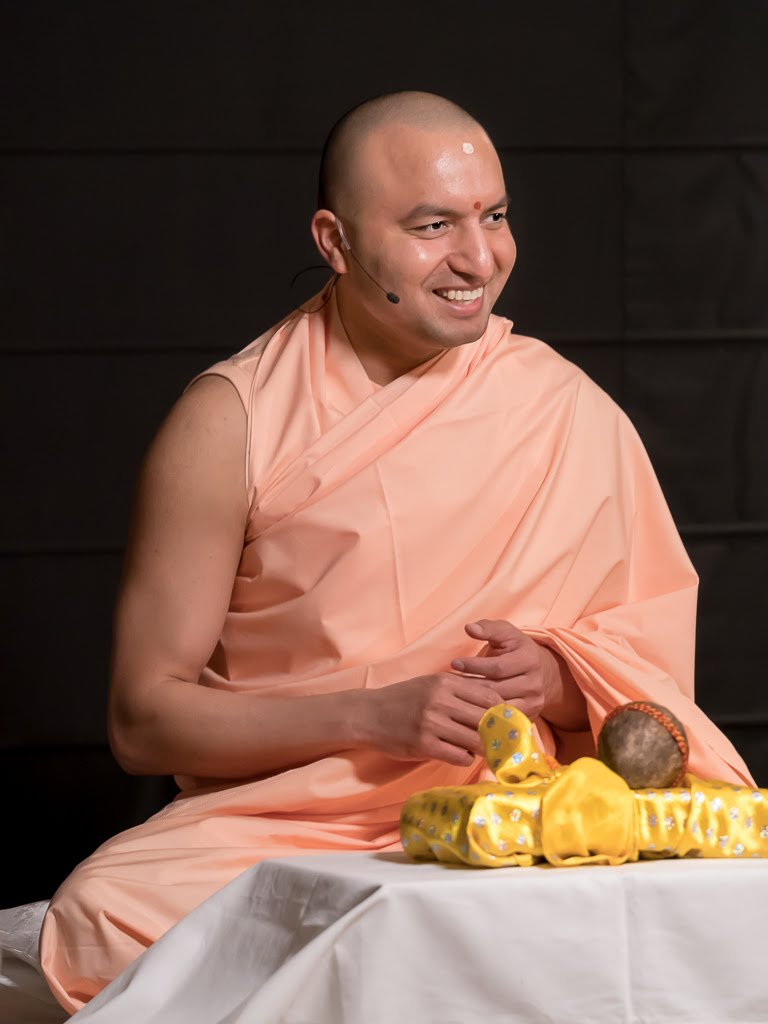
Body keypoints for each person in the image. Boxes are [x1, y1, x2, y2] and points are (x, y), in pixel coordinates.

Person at [38, 90, 755, 1013]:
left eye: (494, 216)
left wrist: (559, 679)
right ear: (334, 242)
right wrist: (374, 717)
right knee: (100, 913)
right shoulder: (230, 421)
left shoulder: (565, 407)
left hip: (520, 807)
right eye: (432, 225)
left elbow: (650, 685)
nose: (479, 258)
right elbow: (144, 722)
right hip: (290, 818)